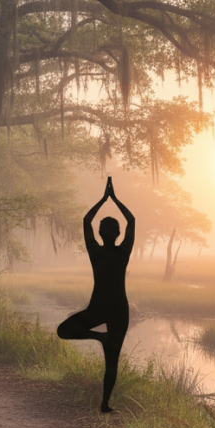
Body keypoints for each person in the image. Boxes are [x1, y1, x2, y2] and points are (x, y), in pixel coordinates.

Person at [57, 177, 135, 413]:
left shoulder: (95, 252)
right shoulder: (123, 252)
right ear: (118, 233)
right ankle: (105, 404)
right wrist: (115, 199)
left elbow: (86, 220)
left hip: (99, 307)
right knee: (112, 360)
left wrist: (103, 199)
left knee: (64, 330)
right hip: (119, 309)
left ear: (100, 233)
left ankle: (98, 338)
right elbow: (131, 219)